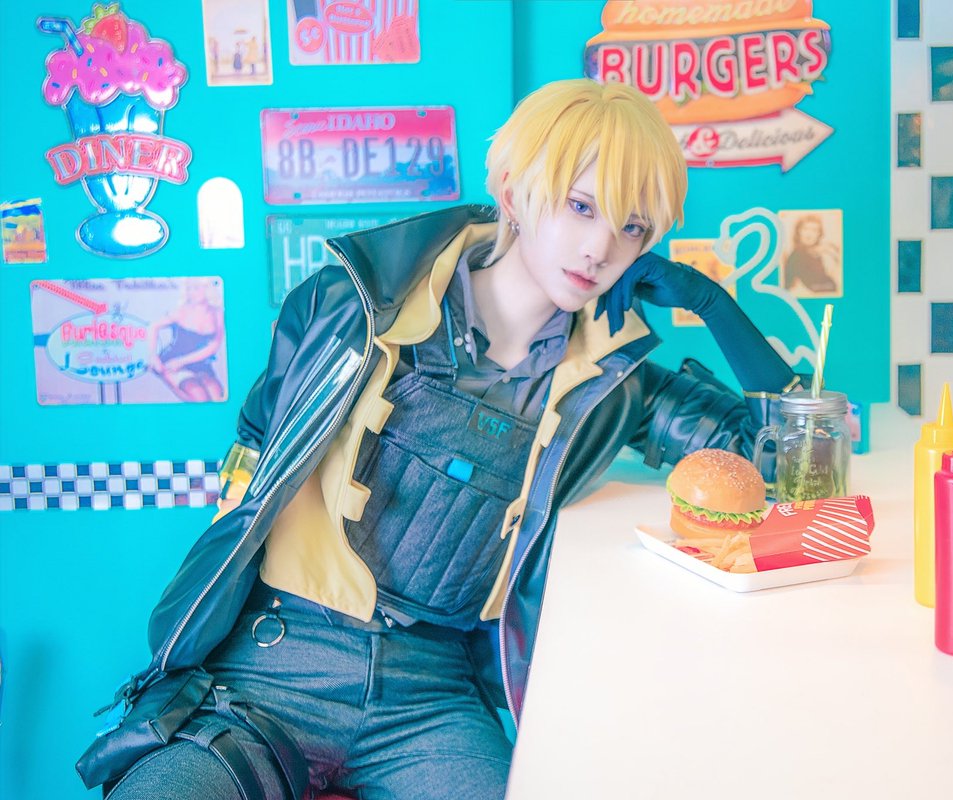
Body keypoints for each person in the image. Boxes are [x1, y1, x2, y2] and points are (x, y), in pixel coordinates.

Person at [85, 79, 801, 800]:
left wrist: (711, 302)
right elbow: (256, 439)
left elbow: (785, 453)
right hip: (273, 668)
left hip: (434, 700)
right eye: (581, 207)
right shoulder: (352, 306)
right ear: (515, 193)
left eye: (634, 228)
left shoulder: (613, 384)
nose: (600, 249)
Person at [146, 277, 227, 403]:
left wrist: (182, 361)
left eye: (196, 288)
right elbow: (153, 326)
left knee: (217, 396)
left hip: (199, 363)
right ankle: (167, 378)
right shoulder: (182, 311)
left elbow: (213, 346)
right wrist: (153, 357)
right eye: (189, 289)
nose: (191, 292)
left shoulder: (217, 313)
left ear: (208, 289)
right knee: (200, 397)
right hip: (172, 361)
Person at [782, 213, 840, 295]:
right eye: (805, 229)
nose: (809, 234)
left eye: (814, 230)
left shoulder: (822, 253)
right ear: (798, 231)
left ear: (819, 234)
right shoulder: (796, 256)